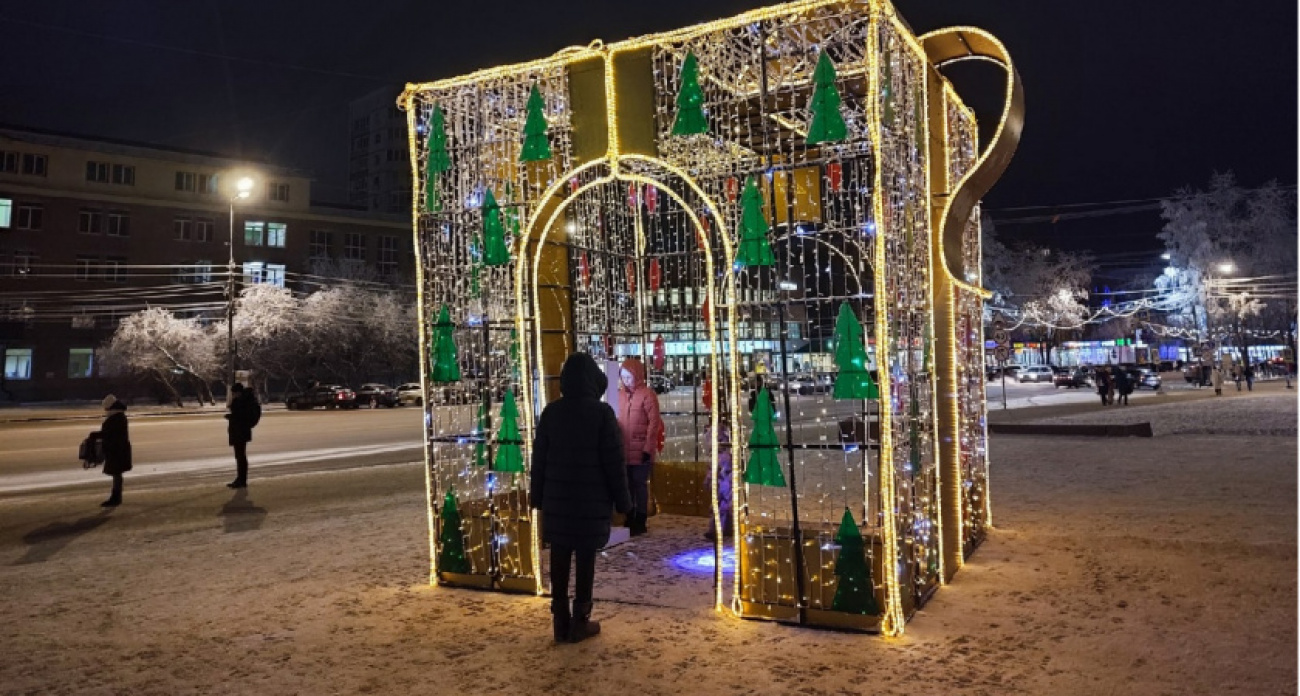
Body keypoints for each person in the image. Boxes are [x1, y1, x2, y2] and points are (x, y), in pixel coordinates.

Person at [530, 353, 631, 643]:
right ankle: (580, 621)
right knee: (586, 560)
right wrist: (624, 503)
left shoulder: (551, 413)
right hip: (590, 503)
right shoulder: (601, 414)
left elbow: (540, 461)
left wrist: (537, 498)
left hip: (558, 503)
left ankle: (559, 621)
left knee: (559, 558)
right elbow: (614, 463)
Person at [617, 358, 663, 537]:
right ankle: (629, 516)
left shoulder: (647, 395)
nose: (626, 381)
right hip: (624, 450)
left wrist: (648, 448)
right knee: (627, 485)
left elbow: (654, 424)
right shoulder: (620, 395)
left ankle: (641, 518)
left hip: (641, 450)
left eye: (629, 377)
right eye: (623, 377)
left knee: (639, 485)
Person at [93, 395, 131, 507]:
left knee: (116, 473)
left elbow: (111, 434)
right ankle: (116, 497)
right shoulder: (117, 416)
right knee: (116, 473)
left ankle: (116, 498)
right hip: (117, 449)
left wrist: (96, 435)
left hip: (117, 450)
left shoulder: (117, 417)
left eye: (106, 408)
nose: (105, 411)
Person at [703, 398, 733, 542]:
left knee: (722, 506)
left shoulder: (724, 455)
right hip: (722, 481)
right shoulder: (721, 453)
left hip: (723, 481)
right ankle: (719, 528)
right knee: (721, 506)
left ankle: (718, 528)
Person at [226, 383, 262, 489]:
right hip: (239, 431)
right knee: (239, 456)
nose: (233, 395)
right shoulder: (243, 400)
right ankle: (240, 478)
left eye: (234, 393)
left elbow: (243, 416)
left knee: (241, 456)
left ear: (239, 392)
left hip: (241, 431)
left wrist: (233, 417)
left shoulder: (244, 401)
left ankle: (242, 480)